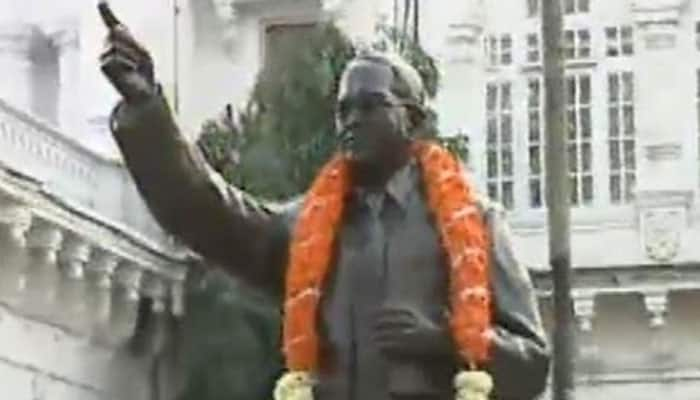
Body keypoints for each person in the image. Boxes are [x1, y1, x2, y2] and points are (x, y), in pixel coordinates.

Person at [98, 3, 549, 400]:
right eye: (343, 110)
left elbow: (532, 364)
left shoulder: (474, 223)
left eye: (369, 106)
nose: (350, 121)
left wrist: (444, 339)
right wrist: (147, 109)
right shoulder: (307, 228)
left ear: (411, 119)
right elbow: (206, 213)